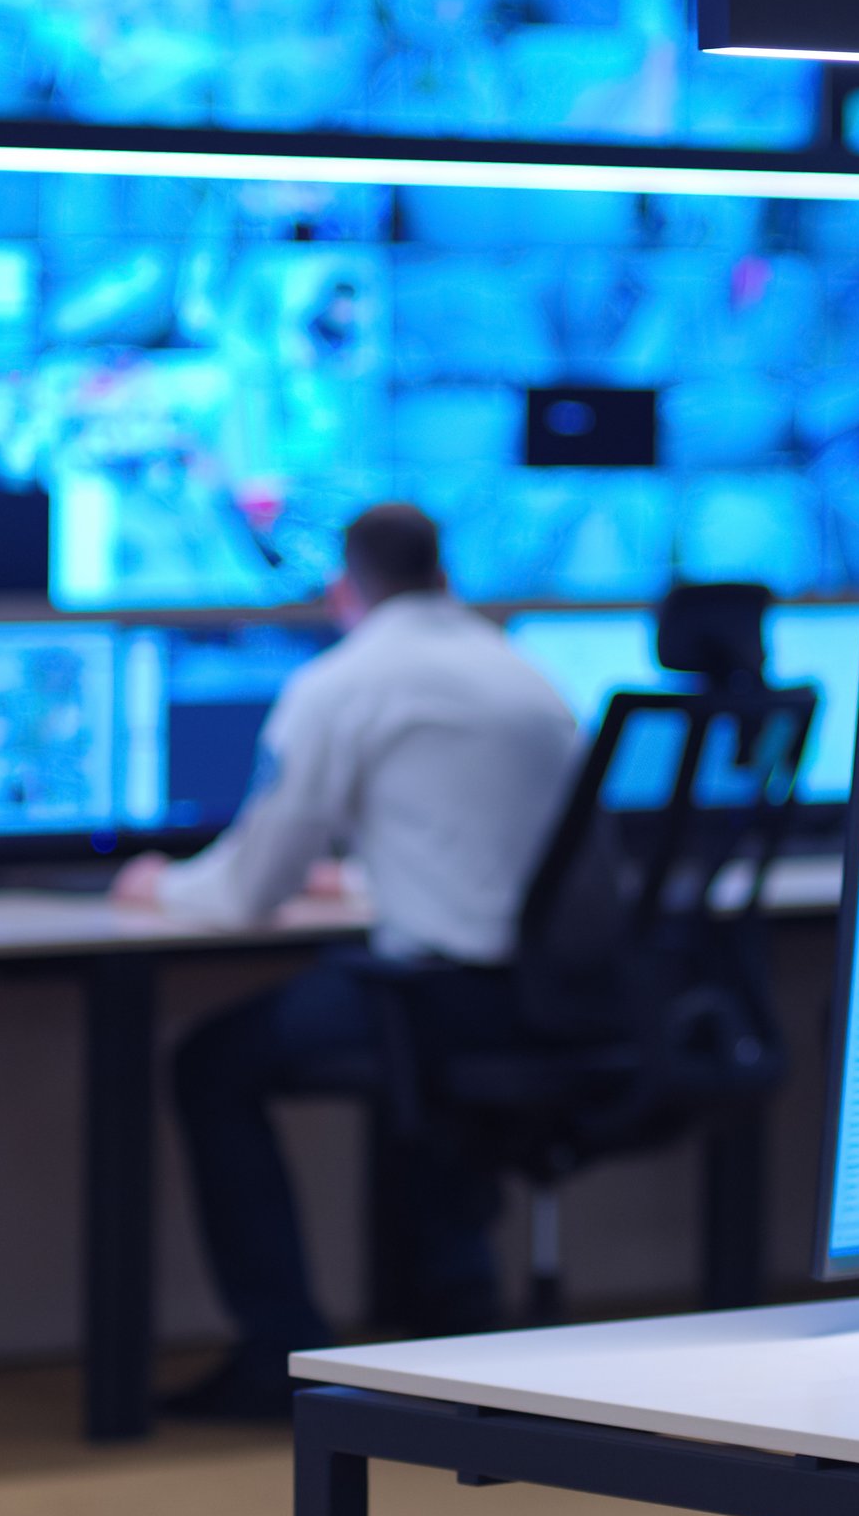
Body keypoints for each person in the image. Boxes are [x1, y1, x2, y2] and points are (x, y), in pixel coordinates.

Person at [112, 501, 581, 1419]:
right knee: (384, 1039)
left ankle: (277, 1348)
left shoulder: (343, 681)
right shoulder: (527, 675)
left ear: (343, 589)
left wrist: (156, 886)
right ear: (444, 576)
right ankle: (448, 1301)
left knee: (210, 1062)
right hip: (545, 993)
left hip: (433, 996)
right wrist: (366, 871)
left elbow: (248, 890)